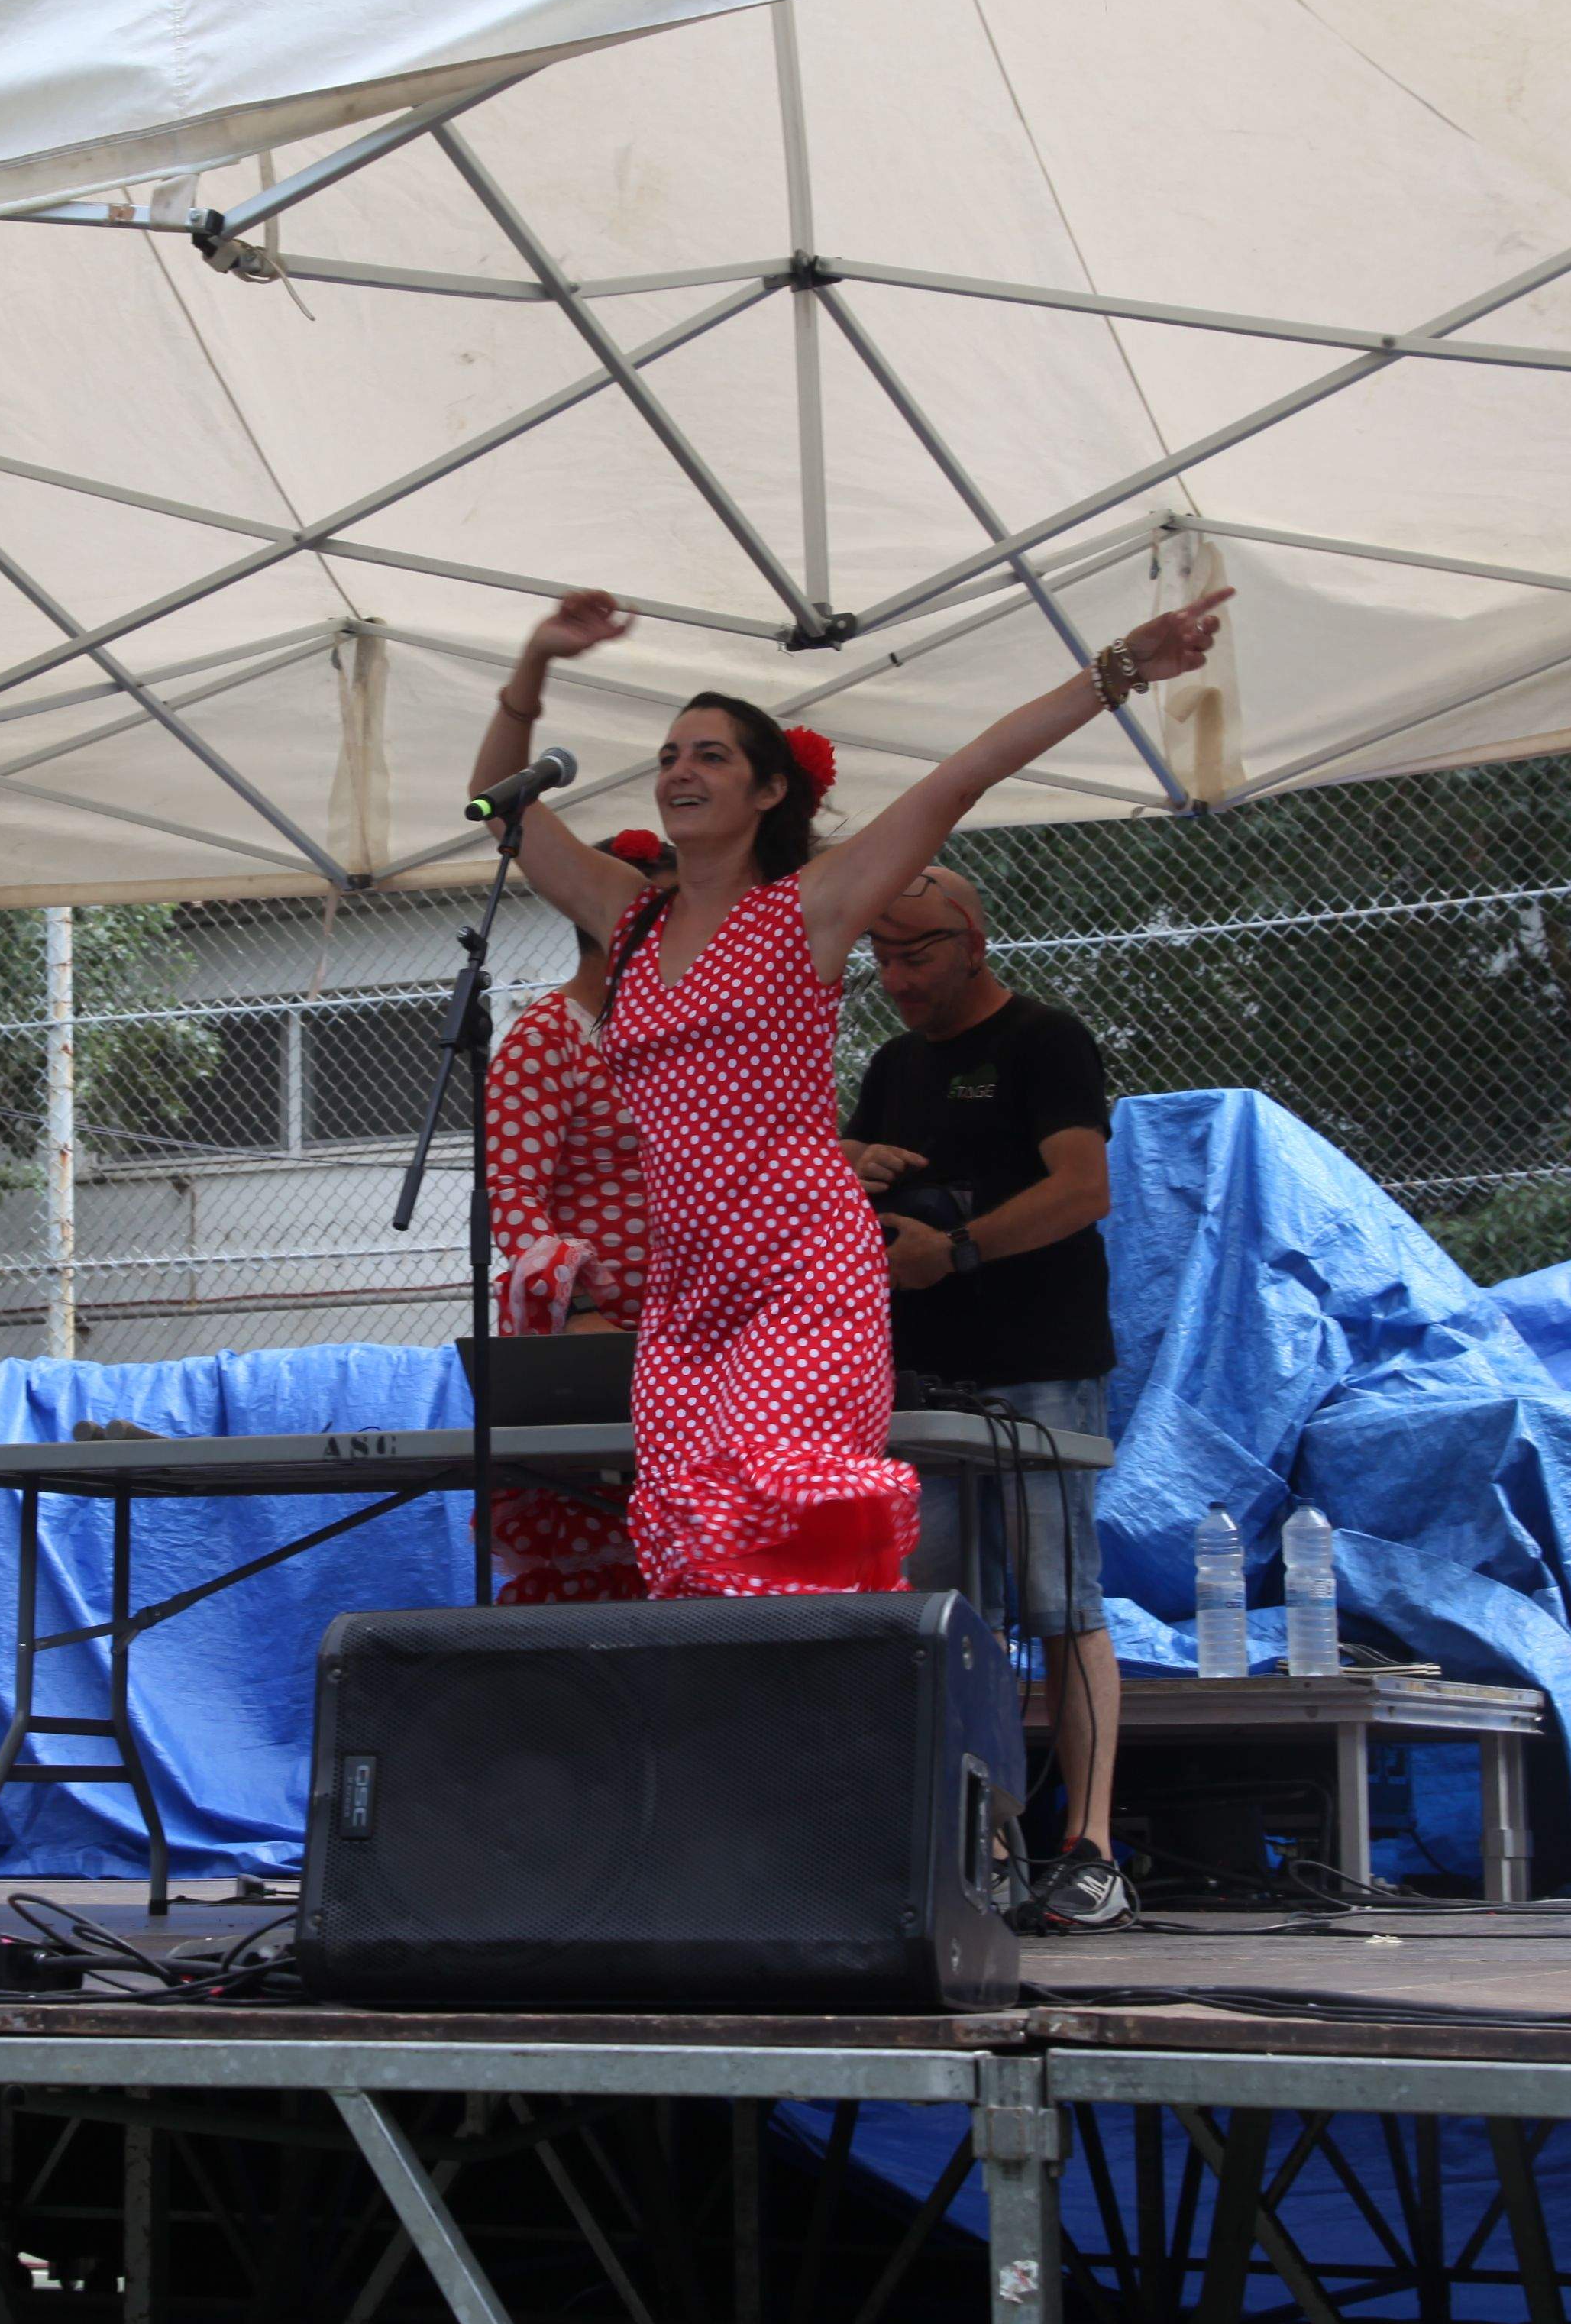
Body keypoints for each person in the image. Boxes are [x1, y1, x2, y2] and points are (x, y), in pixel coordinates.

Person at [470, 587, 1227, 1599]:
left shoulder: (809, 909)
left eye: (710, 755)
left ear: (770, 792)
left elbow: (963, 778)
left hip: (801, 1271)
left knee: (783, 1526)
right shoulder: (632, 920)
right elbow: (500, 808)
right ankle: (763, 1758)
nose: (680, 771)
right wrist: (535, 666)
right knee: (687, 1547)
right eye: (667, 757)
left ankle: (857, 1743)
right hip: (686, 1296)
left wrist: (1119, 671)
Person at [845, 861, 1132, 1928]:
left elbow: (1082, 1189)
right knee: (946, 1611)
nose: (898, 975)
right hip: (922, 1376)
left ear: (973, 940)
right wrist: (853, 1156)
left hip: (1038, 1361)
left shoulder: (1044, 1041)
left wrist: (956, 1251)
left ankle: (1092, 1846)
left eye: (916, 952)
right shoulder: (892, 1064)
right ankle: (986, 1839)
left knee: (1063, 1600)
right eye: (881, 954)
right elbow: (845, 1178)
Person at [479, 826, 671, 1602]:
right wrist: (583, 1308)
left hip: (686, 1334)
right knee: (603, 1561)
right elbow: (514, 1202)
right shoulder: (547, 1035)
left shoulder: (676, 1037)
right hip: (597, 1342)